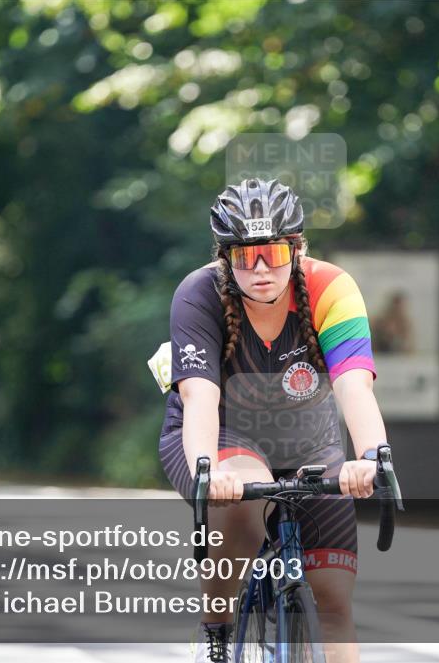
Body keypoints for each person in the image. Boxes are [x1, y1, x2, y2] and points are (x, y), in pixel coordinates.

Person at [158, 178, 391, 663]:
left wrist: (370, 456)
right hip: (220, 434)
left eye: (274, 252)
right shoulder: (198, 294)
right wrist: (209, 469)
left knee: (332, 596)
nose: (262, 268)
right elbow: (199, 398)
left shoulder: (332, 288)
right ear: (225, 259)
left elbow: (354, 386)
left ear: (296, 248)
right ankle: (216, 630)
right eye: (246, 256)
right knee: (246, 498)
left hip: (308, 441)